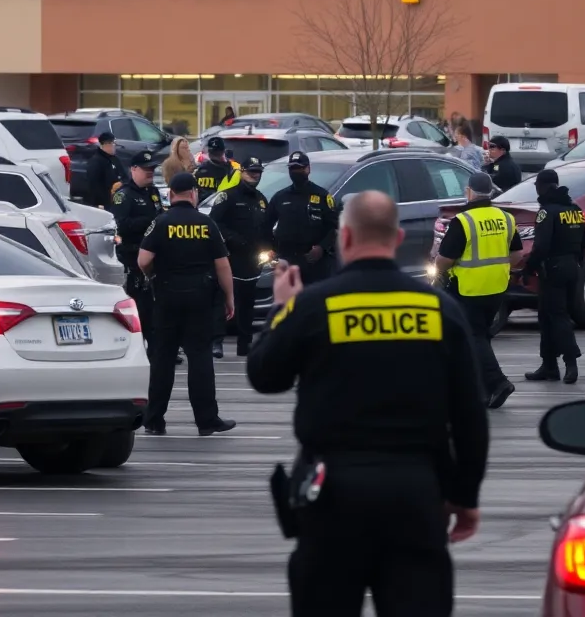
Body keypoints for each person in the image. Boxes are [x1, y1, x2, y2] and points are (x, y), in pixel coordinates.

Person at [247, 191, 489, 617]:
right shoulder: (439, 310)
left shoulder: (315, 306)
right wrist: (464, 494)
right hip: (416, 492)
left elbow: (265, 376)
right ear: (398, 238)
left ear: (344, 237)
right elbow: (470, 416)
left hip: (333, 496)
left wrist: (281, 310)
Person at [137, 172, 237, 436]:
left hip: (167, 296)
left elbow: (143, 260)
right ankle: (206, 420)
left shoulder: (160, 222)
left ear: (170, 194)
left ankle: (154, 420)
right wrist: (229, 298)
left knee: (163, 358)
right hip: (200, 298)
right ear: (194, 194)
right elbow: (222, 265)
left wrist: (153, 276)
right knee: (200, 357)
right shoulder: (207, 224)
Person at [433, 171, 521, 409]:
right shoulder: (506, 218)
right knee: (481, 336)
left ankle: (498, 382)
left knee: (473, 336)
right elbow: (517, 255)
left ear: (469, 192)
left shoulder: (464, 221)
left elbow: (445, 260)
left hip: (469, 289)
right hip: (498, 287)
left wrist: (437, 264)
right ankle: (482, 389)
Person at [522, 169, 585, 385]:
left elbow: (541, 246)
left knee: (558, 316)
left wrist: (528, 268)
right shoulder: (574, 208)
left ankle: (571, 362)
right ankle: (549, 364)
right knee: (546, 316)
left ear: (542, 187)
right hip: (572, 267)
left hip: (553, 269)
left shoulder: (547, 211)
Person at [112, 151, 171, 363]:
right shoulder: (124, 195)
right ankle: (142, 349)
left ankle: (158, 348)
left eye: (152, 169)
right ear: (134, 169)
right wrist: (151, 221)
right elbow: (120, 225)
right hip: (133, 257)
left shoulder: (153, 192)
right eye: (146, 169)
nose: (150, 173)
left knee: (156, 307)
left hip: (154, 257)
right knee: (141, 307)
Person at [209, 156, 269, 357]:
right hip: (229, 258)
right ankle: (216, 342)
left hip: (252, 260)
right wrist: (233, 239)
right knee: (222, 301)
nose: (255, 175)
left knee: (247, 304)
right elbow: (214, 223)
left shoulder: (261, 199)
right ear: (241, 172)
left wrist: (269, 248)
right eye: (251, 172)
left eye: (258, 172)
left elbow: (265, 229)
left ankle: (245, 344)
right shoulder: (228, 197)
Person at [265, 151, 340, 284]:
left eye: (299, 168)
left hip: (314, 262)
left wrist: (322, 247)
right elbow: (266, 224)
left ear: (308, 169)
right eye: (293, 168)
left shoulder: (322, 196)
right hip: (286, 260)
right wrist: (271, 248)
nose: (296, 172)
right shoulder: (280, 197)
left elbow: (334, 227)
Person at [84, 131, 130, 210]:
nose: (114, 146)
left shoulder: (115, 159)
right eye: (113, 143)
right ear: (106, 144)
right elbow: (93, 185)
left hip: (119, 198)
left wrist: (122, 183)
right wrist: (98, 204)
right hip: (104, 203)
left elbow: (125, 177)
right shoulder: (96, 162)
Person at [194, 137, 234, 204]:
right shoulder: (229, 170)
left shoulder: (200, 170)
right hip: (218, 205)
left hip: (204, 206)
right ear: (223, 151)